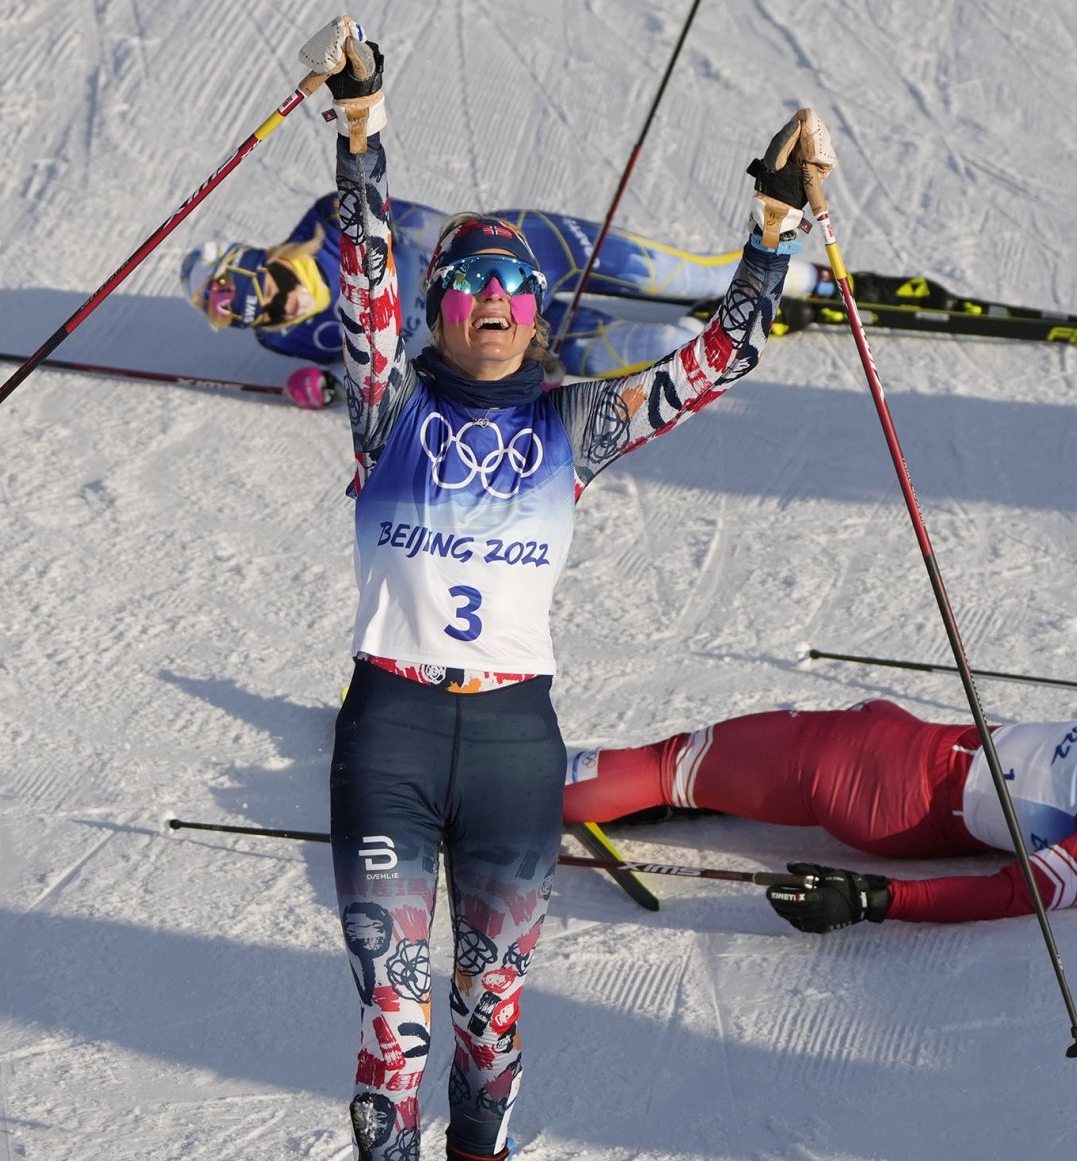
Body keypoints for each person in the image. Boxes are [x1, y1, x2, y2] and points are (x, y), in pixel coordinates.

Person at [303, 16, 836, 1161]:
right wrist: (360, 128)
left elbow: (716, 360)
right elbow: (360, 277)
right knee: (389, 1028)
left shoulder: (572, 424)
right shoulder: (388, 410)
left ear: (538, 314)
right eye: (468, 281)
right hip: (389, 731)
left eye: (515, 282)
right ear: (439, 305)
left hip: (509, 743)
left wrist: (773, 227)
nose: (493, 295)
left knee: (485, 1026)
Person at [561, 697, 1077, 930]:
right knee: (703, 766)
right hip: (910, 746)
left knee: (675, 760)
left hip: (882, 780)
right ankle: (673, 793)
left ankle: (489, 792)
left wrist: (874, 900)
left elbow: (1015, 891)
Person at [180, 182, 844, 405]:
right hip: (490, 336)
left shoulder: (331, 218)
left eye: (268, 290)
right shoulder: (282, 335)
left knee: (688, 278)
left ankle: (820, 282)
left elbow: (429, 224)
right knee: (670, 345)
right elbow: (360, 366)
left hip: (519, 251)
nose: (278, 308)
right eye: (257, 317)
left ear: (261, 258)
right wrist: (326, 387)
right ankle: (729, 323)